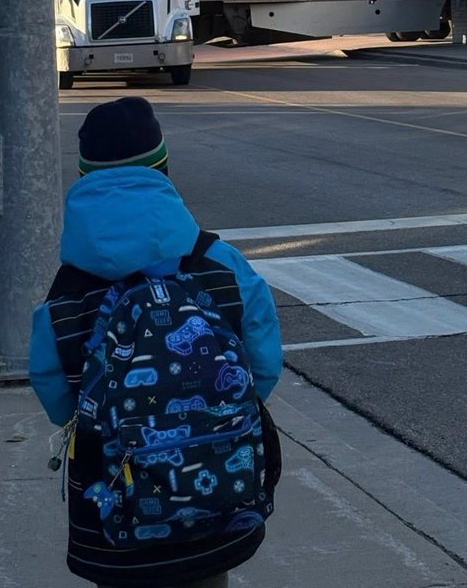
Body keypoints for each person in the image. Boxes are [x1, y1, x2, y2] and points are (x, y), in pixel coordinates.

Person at [30, 96, 283, 588]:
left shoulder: (67, 292)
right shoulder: (219, 264)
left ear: (84, 178)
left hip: (112, 492)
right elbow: (264, 363)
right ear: (163, 168)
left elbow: (52, 388)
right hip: (216, 482)